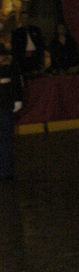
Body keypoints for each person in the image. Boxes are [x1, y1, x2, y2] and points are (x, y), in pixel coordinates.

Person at [0, 44, 22, 180]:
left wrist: (18, 99)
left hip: (5, 105)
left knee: (6, 138)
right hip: (5, 104)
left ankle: (7, 170)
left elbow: (16, 81)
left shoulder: (8, 60)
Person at [11, 10, 45, 78]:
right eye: (23, 18)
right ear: (21, 19)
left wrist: (40, 56)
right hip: (24, 59)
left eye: (26, 18)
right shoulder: (17, 32)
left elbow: (40, 44)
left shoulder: (36, 30)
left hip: (35, 57)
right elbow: (15, 47)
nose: (25, 20)